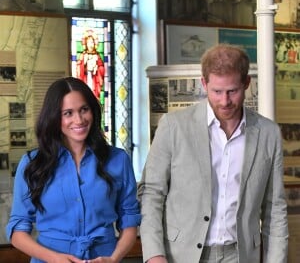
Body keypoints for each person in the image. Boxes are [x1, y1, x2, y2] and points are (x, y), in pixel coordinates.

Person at [138, 44, 288, 263]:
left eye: (232, 91)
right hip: (181, 255)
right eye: (217, 92)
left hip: (241, 255)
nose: (225, 101)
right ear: (203, 83)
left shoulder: (268, 133)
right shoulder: (173, 126)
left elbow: (275, 207)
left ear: (246, 83)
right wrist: (154, 255)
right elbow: (151, 193)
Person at [6, 76, 141, 263]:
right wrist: (54, 259)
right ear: (54, 117)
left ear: (93, 111)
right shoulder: (31, 163)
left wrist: (113, 259)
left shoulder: (118, 160)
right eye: (68, 113)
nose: (79, 120)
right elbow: (17, 229)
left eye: (84, 110)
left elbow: (130, 219)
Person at [77, 30, 105, 100]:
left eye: (92, 42)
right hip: (86, 78)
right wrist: (85, 63)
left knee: (94, 93)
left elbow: (102, 68)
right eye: (89, 42)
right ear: (85, 44)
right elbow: (79, 67)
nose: (91, 44)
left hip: (95, 80)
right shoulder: (83, 55)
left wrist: (97, 68)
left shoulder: (97, 55)